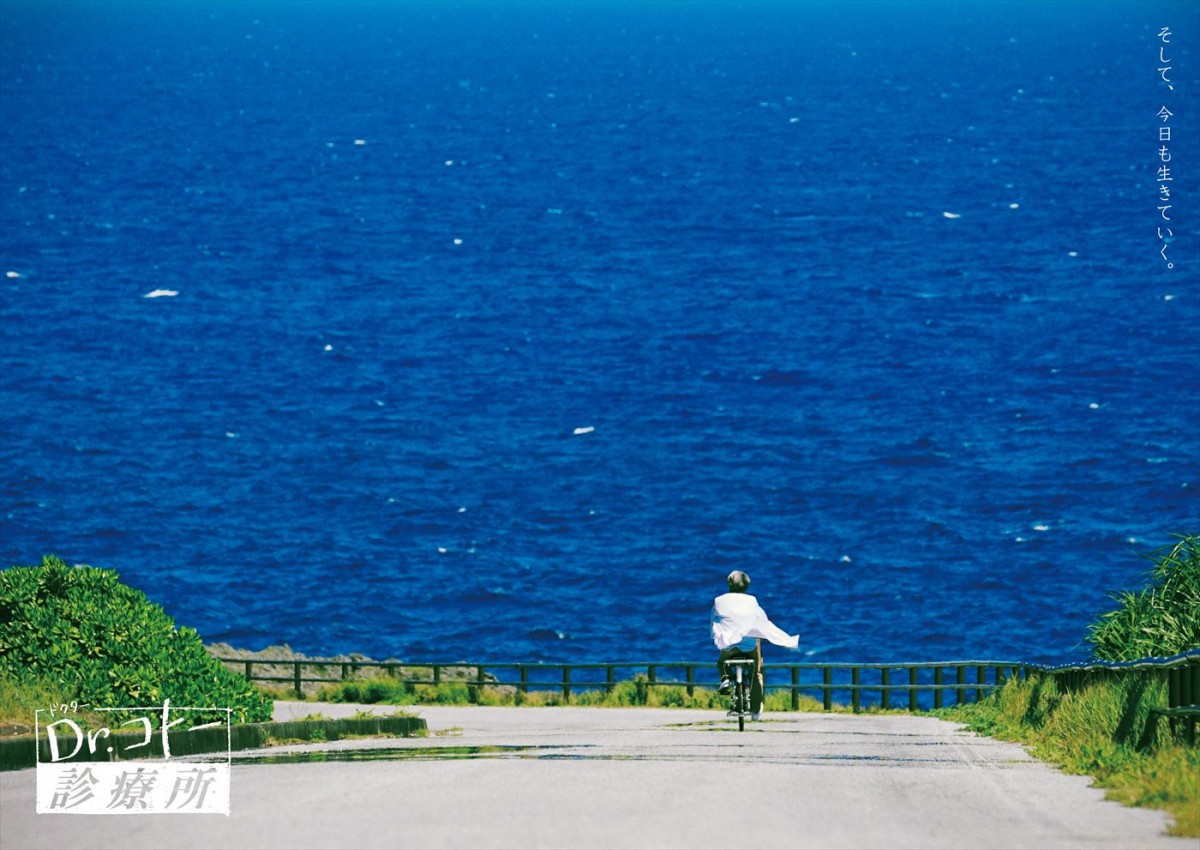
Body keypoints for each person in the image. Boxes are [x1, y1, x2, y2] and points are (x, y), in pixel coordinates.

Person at [711, 570, 799, 720]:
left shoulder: (719, 600)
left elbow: (714, 622)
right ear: (746, 586)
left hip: (728, 647)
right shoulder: (752, 601)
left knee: (721, 662)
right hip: (749, 647)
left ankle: (725, 678)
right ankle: (756, 710)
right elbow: (762, 621)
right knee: (757, 673)